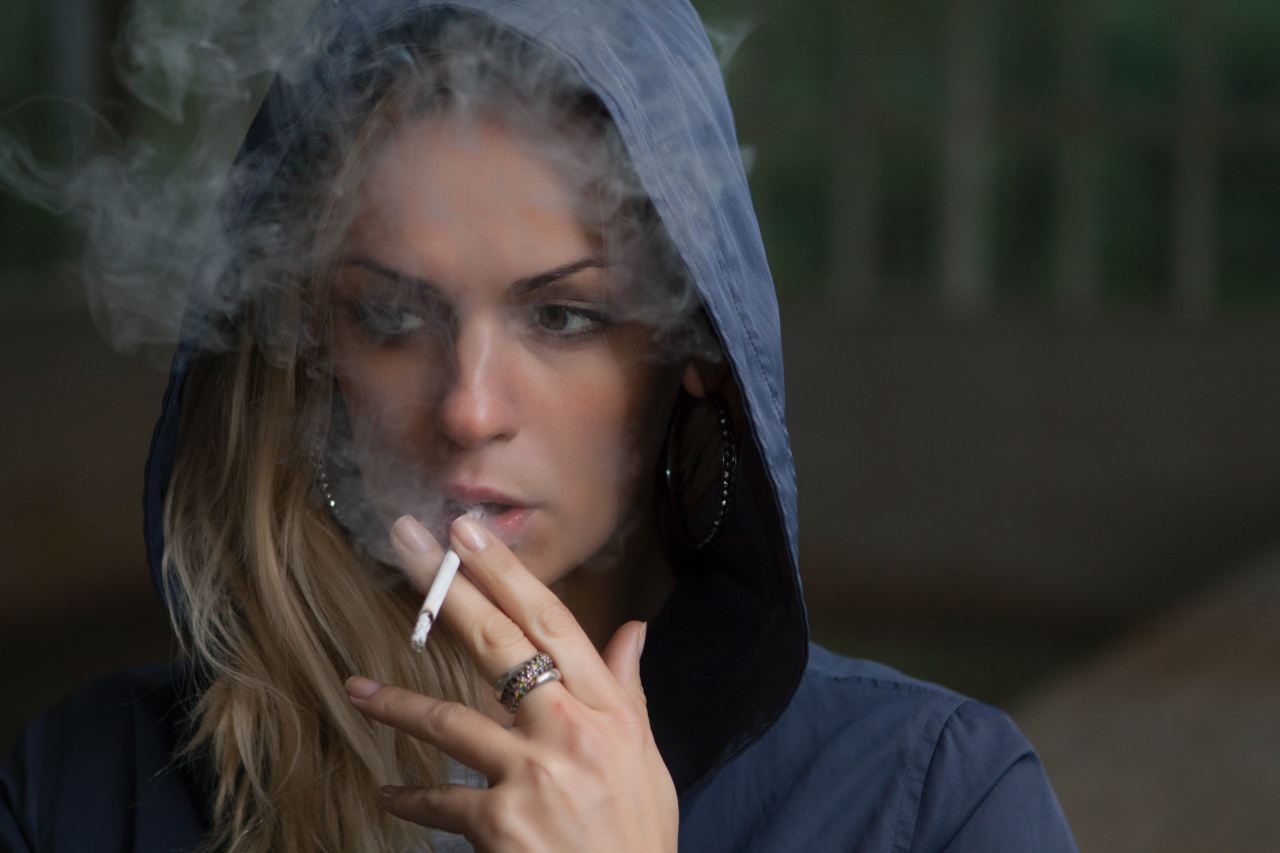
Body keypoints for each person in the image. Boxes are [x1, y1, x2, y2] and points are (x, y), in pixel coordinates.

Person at [0, 1, 1077, 851]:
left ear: (692, 353)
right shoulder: (81, 790)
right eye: (389, 316)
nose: (467, 407)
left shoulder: (934, 803)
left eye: (561, 316)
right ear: (313, 353)